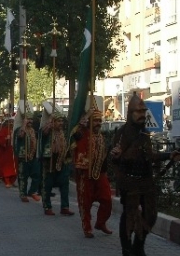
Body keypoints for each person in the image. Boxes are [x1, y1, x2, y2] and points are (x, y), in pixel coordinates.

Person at [111, 94, 180, 256]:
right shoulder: (122, 133)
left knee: (150, 215)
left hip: (146, 181)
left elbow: (149, 156)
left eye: (144, 111)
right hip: (130, 181)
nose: (142, 114)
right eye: (138, 111)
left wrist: (168, 155)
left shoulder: (144, 133)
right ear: (130, 113)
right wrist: (117, 156)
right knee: (129, 216)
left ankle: (138, 245)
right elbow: (113, 158)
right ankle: (127, 250)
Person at [72, 108, 112, 238]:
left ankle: (100, 223)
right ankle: (87, 228)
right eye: (95, 120)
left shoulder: (100, 136)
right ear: (89, 121)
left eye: (100, 121)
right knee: (85, 202)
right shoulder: (82, 133)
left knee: (107, 199)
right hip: (85, 173)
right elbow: (74, 135)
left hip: (100, 173)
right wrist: (82, 124)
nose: (98, 123)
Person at [38, 112, 74, 216]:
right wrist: (50, 121)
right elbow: (42, 133)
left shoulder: (63, 132)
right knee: (47, 186)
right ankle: (47, 206)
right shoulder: (47, 131)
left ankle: (65, 207)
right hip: (49, 162)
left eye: (62, 121)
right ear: (53, 122)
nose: (61, 123)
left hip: (62, 162)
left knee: (64, 185)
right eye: (58, 121)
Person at [14, 112, 41, 202]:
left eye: (31, 119)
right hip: (23, 157)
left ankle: (32, 191)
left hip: (33, 156)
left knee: (36, 174)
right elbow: (20, 136)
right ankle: (23, 194)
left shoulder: (33, 130)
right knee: (23, 177)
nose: (30, 121)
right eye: (28, 119)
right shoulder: (19, 129)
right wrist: (24, 125)